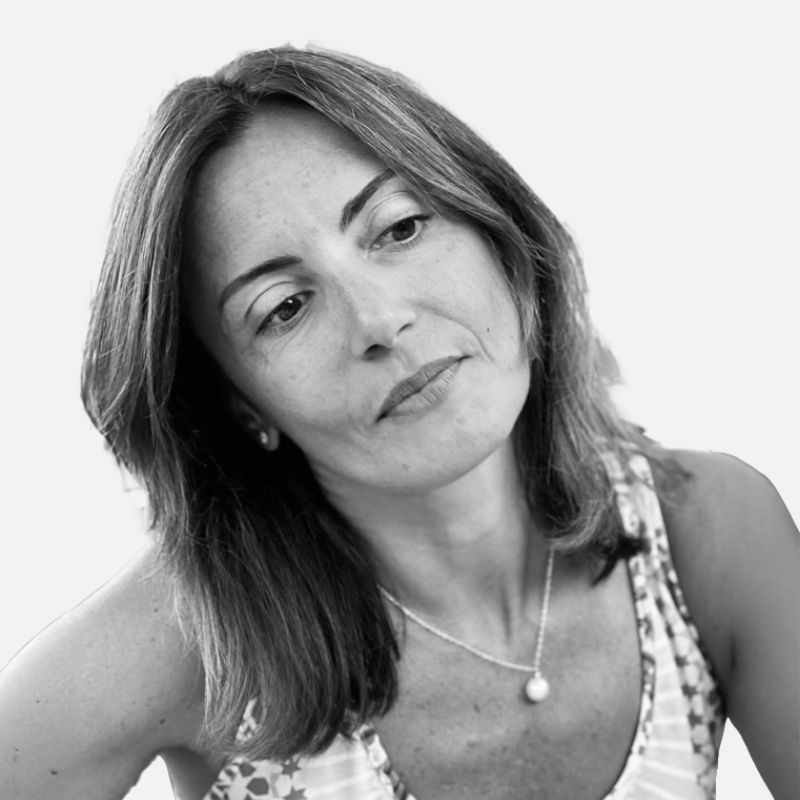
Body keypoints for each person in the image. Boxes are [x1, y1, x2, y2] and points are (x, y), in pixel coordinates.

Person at [0, 45, 797, 800]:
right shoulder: (194, 637)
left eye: (400, 228)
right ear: (240, 405)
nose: (380, 319)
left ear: (499, 232)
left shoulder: (706, 527)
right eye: (284, 308)